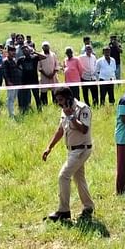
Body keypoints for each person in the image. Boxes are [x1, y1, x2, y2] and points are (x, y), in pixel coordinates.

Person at [42, 87, 95, 221]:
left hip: (82, 149)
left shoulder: (83, 109)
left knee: (63, 176)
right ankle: (88, 206)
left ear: (68, 98)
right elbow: (60, 130)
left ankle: (63, 210)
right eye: (57, 100)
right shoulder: (64, 110)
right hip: (72, 150)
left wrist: (71, 116)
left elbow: (84, 129)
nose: (58, 102)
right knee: (79, 178)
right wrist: (49, 147)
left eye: (60, 99)